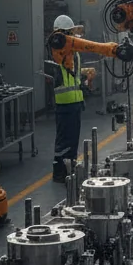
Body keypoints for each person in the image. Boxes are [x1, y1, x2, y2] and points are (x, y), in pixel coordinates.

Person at [44, 15, 91, 184]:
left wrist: (83, 77)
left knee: (72, 140)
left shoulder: (71, 51)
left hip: (75, 102)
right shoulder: (59, 50)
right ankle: (59, 172)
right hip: (65, 103)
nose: (73, 35)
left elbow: (72, 73)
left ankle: (70, 168)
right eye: (70, 32)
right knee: (65, 140)